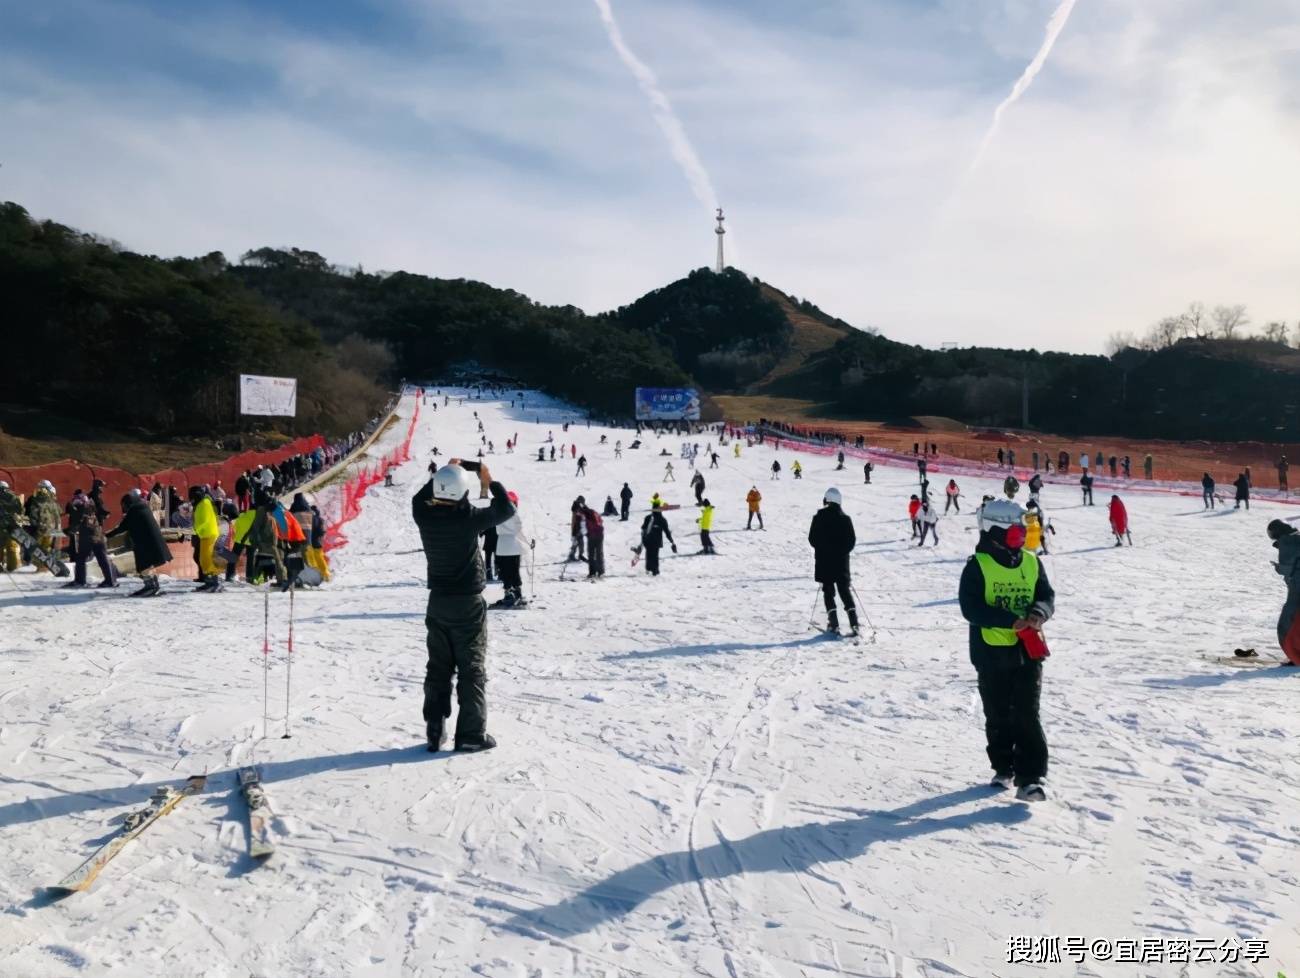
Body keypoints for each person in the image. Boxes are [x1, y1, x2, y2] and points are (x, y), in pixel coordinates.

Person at [412, 460, 515, 753]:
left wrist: (443, 472)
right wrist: (489, 480)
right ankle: (470, 734)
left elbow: (419, 498)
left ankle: (434, 729)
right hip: (468, 603)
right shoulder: (468, 517)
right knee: (471, 668)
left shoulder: (424, 514)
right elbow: (507, 508)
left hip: (438, 602)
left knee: (438, 667)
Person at [958, 498, 1055, 802]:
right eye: (1014, 533)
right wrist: (1009, 620)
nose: (1021, 538)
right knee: (998, 713)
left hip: (1028, 652)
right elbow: (971, 607)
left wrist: (1039, 612)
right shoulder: (977, 567)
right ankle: (1003, 767)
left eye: (1021, 532)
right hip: (991, 653)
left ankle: (1032, 778)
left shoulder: (1030, 562)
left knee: (1027, 713)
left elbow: (1046, 594)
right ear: (994, 533)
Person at [808, 487, 859, 635]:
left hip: (824, 561)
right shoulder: (845, 519)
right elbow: (851, 541)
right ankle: (854, 623)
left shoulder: (819, 517)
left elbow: (812, 539)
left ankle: (834, 623)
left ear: (826, 500)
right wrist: (841, 552)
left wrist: (823, 549)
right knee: (844, 591)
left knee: (828, 591)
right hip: (841, 562)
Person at [113, 491, 171, 596]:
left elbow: (122, 527)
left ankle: (151, 586)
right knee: (147, 565)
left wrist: (108, 535)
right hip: (150, 542)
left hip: (146, 544)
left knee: (144, 566)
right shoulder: (142, 508)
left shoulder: (134, 511)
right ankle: (154, 585)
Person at [65, 492, 116, 589]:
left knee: (80, 558)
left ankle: (80, 581)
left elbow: (76, 525)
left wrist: (66, 531)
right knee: (102, 559)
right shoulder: (90, 508)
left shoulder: (82, 510)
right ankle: (110, 580)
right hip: (98, 537)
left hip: (88, 538)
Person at [1267, 520, 1300, 666]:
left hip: (1297, 592)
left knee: (1287, 626)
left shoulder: (1288, 542)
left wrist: (1278, 568)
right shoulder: (1296, 538)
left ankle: (1296, 656)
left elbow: (1288, 567)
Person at [493, 491, 529, 608]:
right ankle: (517, 592)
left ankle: (507, 593)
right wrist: (528, 543)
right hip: (513, 545)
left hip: (501, 545)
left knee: (504, 571)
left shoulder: (498, 513)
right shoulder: (514, 514)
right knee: (514, 570)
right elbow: (519, 531)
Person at [190, 486, 223, 592]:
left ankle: (213, 582)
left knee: (207, 559)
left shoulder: (204, 503)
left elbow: (204, 521)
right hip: (205, 534)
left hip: (209, 534)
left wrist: (196, 530)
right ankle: (209, 581)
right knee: (203, 559)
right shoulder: (203, 503)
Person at [638, 501, 676, 576]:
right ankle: (654, 570)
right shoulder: (661, 519)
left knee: (649, 554)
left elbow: (643, 529)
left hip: (648, 540)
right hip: (655, 541)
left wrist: (643, 539)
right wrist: (672, 541)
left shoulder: (649, 518)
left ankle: (649, 569)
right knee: (654, 555)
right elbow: (667, 532)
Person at [582, 502, 605, 578]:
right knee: (597, 554)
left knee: (594, 554)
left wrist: (587, 533)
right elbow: (601, 522)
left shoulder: (588, 515)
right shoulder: (593, 512)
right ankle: (598, 572)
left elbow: (595, 525)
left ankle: (595, 572)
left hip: (595, 536)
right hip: (598, 535)